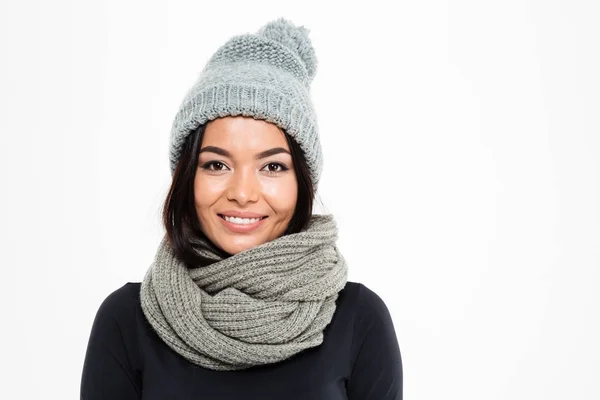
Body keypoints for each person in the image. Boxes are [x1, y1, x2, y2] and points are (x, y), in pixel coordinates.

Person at [80, 17, 402, 399]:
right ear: (188, 178)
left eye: (272, 167)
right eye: (217, 164)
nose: (244, 193)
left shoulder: (358, 319)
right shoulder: (127, 320)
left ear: (302, 182)